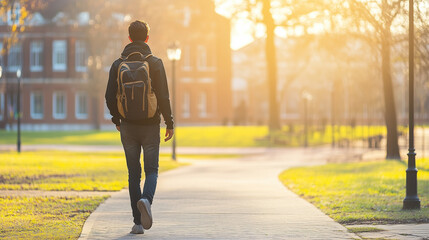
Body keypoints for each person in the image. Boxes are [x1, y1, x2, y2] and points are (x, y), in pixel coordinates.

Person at [105, 20, 174, 234]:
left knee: (133, 173)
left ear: (128, 38)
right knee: (151, 170)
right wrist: (169, 122)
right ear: (147, 38)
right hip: (151, 125)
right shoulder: (155, 62)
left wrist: (117, 119)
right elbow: (163, 95)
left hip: (127, 127)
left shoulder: (118, 64)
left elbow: (108, 96)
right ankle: (146, 199)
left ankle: (137, 223)